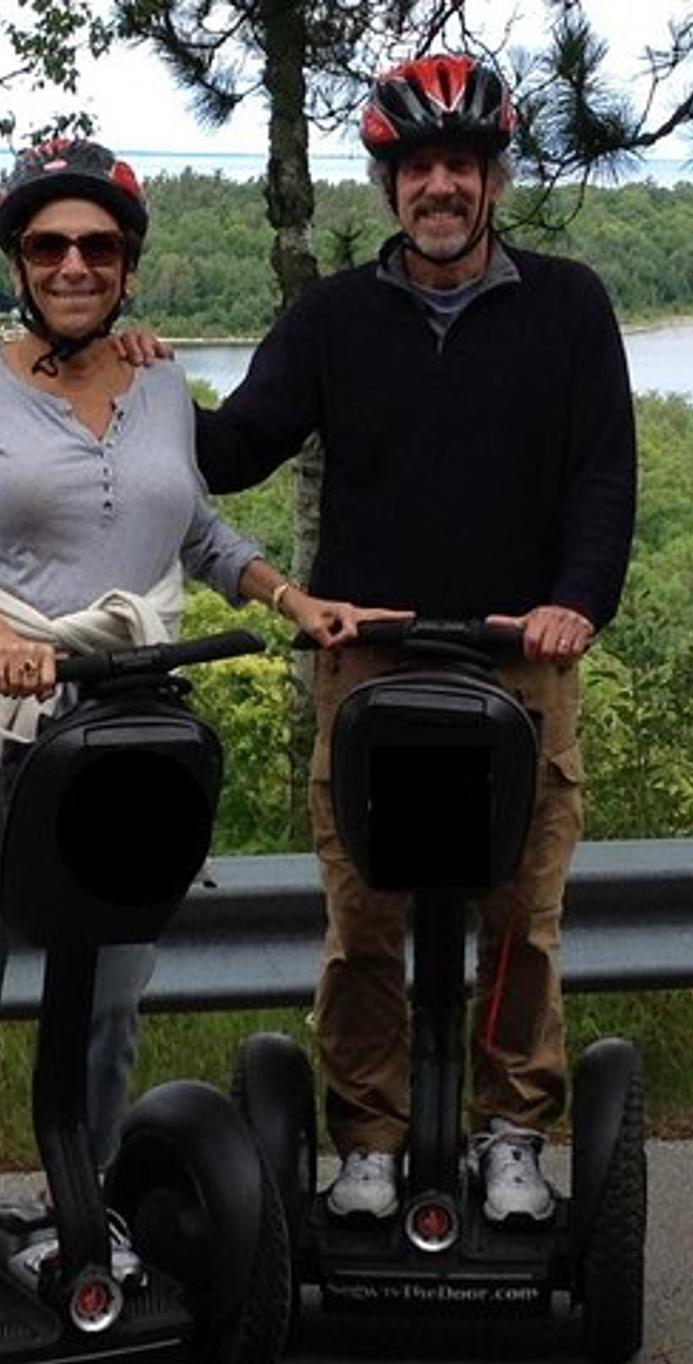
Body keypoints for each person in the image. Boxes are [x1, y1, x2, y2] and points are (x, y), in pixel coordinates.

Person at [0, 137, 386, 1298]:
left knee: (108, 984)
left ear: (127, 269)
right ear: (17, 260)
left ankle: (78, 1201)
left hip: (120, 726)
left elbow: (196, 533)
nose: (73, 263)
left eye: (97, 247)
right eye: (48, 245)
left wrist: (292, 599)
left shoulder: (156, 382)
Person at [184, 55, 638, 1226]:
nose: (439, 187)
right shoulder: (334, 317)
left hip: (517, 657)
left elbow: (602, 476)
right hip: (369, 658)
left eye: (461, 167)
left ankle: (509, 1132)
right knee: (361, 921)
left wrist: (577, 599)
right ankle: (370, 1138)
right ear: (388, 185)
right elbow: (232, 451)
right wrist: (133, 382)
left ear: (492, 182)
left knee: (521, 918)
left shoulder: (568, 306)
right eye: (417, 167)